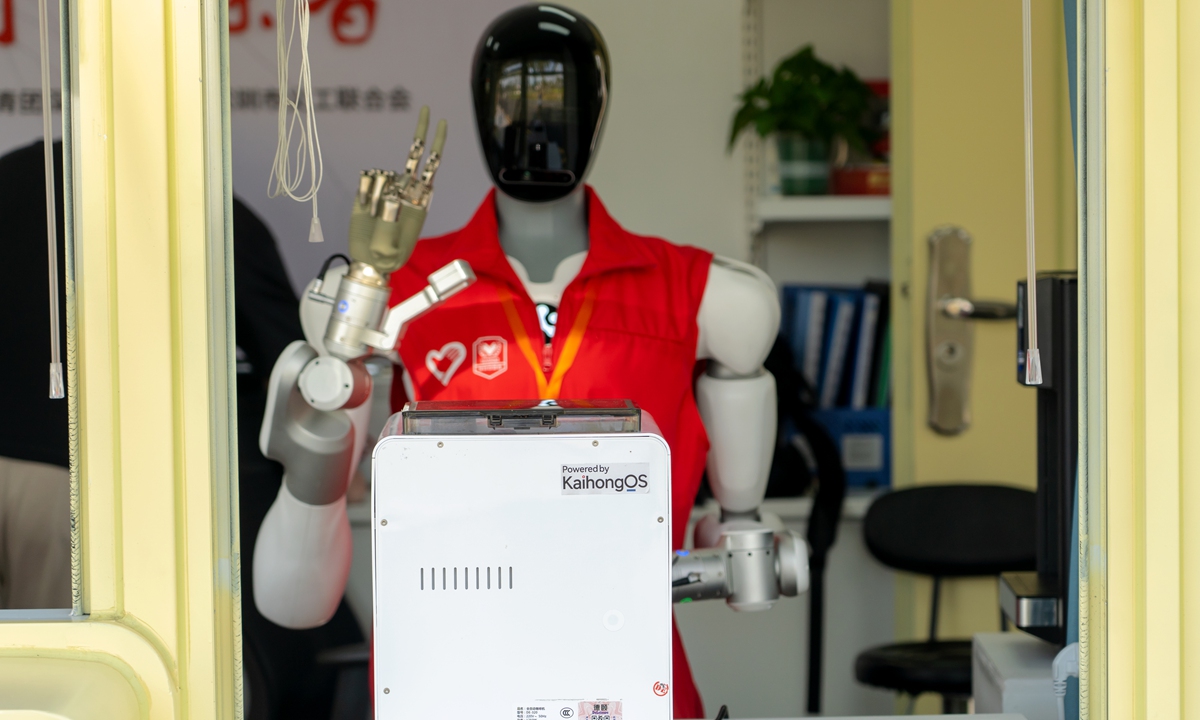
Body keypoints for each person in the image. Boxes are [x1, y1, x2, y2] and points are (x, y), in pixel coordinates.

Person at [254, 6, 781, 718]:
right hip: (443, 673)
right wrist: (313, 472)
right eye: (515, 97)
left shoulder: (704, 294)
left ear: (596, 112)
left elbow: (739, 552)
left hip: (626, 670)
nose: (535, 122)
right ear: (481, 109)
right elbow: (296, 593)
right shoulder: (395, 294)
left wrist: (740, 531)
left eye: (558, 99)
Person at [0, 138, 362, 719]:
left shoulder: (13, 174)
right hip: (72, 480)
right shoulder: (191, 199)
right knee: (67, 686)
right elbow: (287, 355)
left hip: (37, 472)